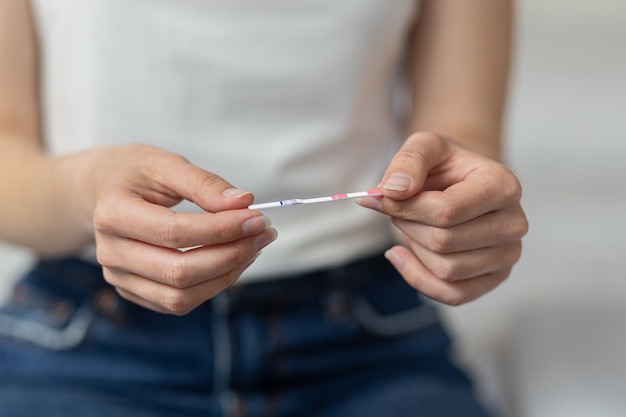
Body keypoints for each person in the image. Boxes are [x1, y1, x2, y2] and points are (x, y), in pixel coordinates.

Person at [0, 0, 527, 416]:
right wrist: (87, 190)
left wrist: (464, 218)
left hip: (367, 347)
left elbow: (464, 140)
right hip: (89, 346)